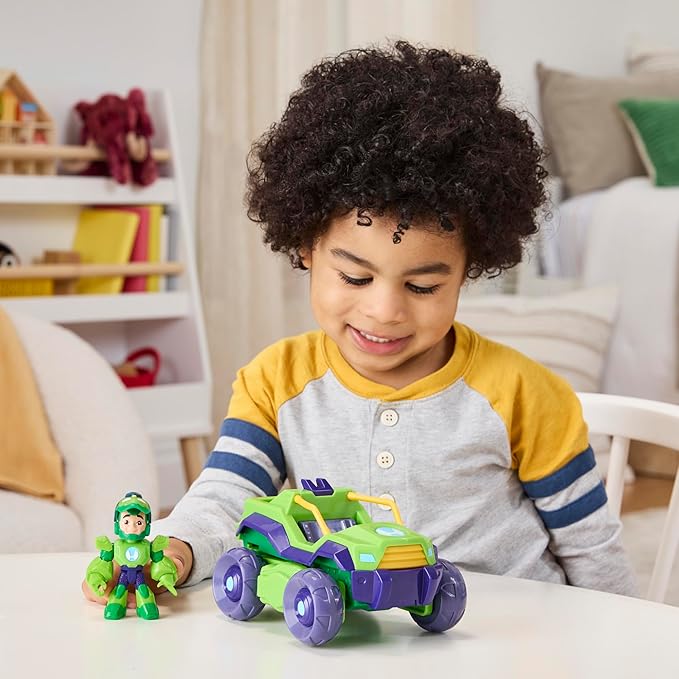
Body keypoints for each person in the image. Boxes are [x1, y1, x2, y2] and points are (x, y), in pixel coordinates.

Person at [85, 40, 637, 605]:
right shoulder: (275, 383)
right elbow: (227, 497)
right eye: (354, 277)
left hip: (519, 631)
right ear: (306, 247)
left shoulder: (524, 395)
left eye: (423, 287)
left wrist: (626, 637)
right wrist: (176, 549)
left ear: (468, 269)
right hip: (354, 632)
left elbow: (592, 552)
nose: (385, 311)